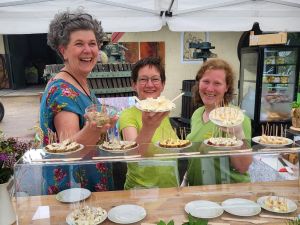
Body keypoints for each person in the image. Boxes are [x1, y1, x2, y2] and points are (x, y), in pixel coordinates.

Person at [39, 10, 116, 194]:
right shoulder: (62, 90)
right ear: (63, 51)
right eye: (79, 44)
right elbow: (69, 150)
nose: (88, 50)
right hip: (76, 193)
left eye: (92, 43)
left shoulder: (80, 81)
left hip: (88, 186)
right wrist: (94, 128)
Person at [186, 58, 253, 186]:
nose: (210, 88)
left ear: (227, 87)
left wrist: (238, 133)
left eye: (217, 83)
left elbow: (243, 167)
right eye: (205, 81)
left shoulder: (236, 117)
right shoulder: (197, 114)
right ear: (199, 83)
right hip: (199, 192)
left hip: (227, 194)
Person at [119, 57, 179, 189]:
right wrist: (149, 127)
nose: (150, 85)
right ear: (134, 84)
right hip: (141, 191)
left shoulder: (164, 112)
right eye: (143, 79)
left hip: (170, 189)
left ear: (163, 84)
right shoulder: (127, 115)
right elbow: (133, 155)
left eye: (155, 79)